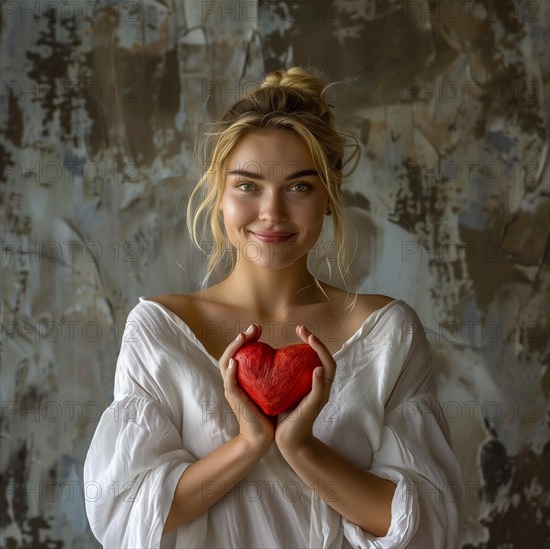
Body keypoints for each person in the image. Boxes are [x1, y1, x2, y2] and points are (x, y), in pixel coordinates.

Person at [83, 66, 463, 548]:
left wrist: (300, 447)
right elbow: (128, 512)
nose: (272, 213)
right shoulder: (160, 330)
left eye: (300, 186)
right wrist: (249, 442)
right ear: (218, 192)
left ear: (330, 194)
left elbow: (428, 525)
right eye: (247, 185)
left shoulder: (387, 332)